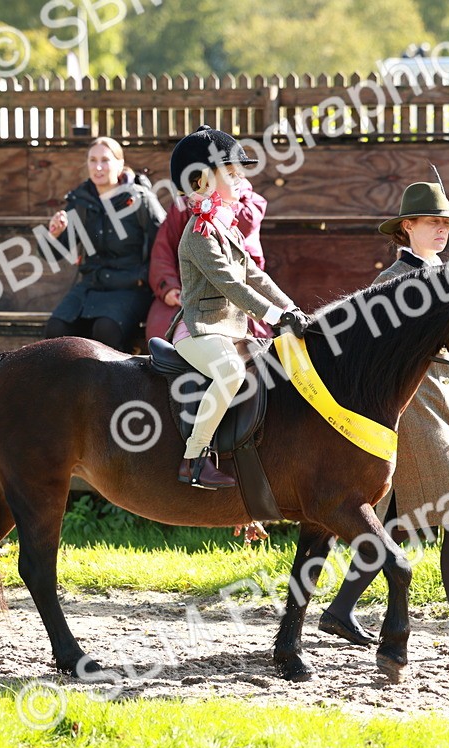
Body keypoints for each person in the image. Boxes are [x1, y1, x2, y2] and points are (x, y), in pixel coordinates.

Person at [319, 181, 449, 661]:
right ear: (406, 227)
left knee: (389, 520)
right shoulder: (392, 281)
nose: (441, 230)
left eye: (446, 223)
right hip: (410, 414)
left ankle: (341, 609)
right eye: (432, 222)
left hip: (443, 406)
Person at [169, 125, 311, 489]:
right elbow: (230, 285)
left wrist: (291, 308)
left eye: (240, 173)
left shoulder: (226, 227)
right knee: (230, 371)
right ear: (201, 182)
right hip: (200, 329)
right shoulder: (199, 233)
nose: (241, 179)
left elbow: (254, 276)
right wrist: (275, 316)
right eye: (231, 173)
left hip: (232, 329)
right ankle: (194, 458)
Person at [43, 136, 166, 351]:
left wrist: (151, 280)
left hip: (130, 287)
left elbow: (165, 244)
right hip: (91, 286)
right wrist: (54, 234)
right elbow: (52, 255)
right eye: (92, 160)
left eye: (105, 160)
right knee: (56, 329)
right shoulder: (81, 201)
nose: (98, 167)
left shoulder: (140, 199)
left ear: (120, 164)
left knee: (105, 328)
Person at [146, 178, 270, 341]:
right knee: (160, 328)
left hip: (237, 293)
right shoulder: (183, 208)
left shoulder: (246, 208)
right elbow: (163, 252)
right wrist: (168, 287)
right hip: (187, 287)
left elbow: (246, 270)